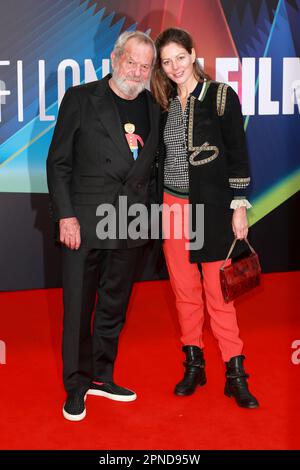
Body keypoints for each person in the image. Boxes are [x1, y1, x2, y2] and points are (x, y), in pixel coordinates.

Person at [47, 31, 160, 421]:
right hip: (84, 222)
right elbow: (59, 162)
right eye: (132, 62)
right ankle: (76, 385)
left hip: (132, 223)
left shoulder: (154, 105)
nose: (138, 71)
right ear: (114, 59)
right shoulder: (81, 98)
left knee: (114, 306)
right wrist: (65, 214)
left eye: (146, 66)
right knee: (78, 307)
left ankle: (102, 376)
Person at [151, 28, 259, 408]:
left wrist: (240, 205)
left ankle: (235, 372)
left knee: (219, 293)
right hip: (172, 208)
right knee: (184, 292)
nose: (174, 67)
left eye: (180, 57)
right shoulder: (163, 103)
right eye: (166, 62)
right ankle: (194, 364)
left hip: (212, 208)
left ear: (193, 54)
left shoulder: (219, 96)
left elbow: (238, 152)